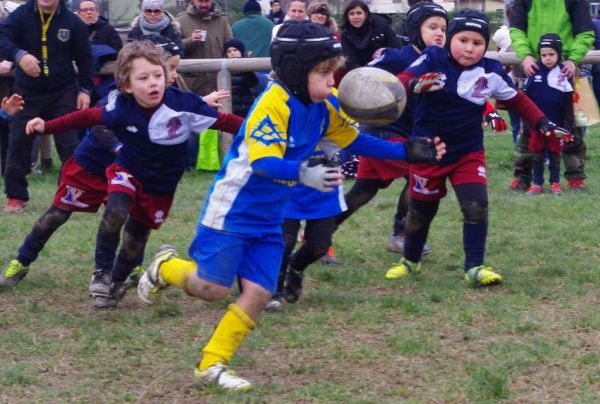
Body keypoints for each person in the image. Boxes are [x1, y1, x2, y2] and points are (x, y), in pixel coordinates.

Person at [135, 21, 445, 391]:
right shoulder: (272, 105)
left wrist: (407, 151)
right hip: (233, 210)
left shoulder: (324, 105)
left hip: (269, 216)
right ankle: (165, 267)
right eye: (325, 73)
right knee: (212, 289)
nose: (333, 82)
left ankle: (212, 364)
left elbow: (354, 141)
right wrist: (304, 172)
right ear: (298, 69)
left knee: (259, 293)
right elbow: (264, 163)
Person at [19, 41, 243, 309]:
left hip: (160, 184)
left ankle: (118, 281)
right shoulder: (120, 107)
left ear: (168, 76)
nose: (153, 83)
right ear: (127, 85)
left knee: (134, 241)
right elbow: (87, 117)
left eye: (158, 75)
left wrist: (265, 132)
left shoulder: (185, 105)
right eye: (144, 78)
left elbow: (229, 123)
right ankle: (101, 272)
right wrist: (47, 125)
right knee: (115, 211)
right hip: (127, 171)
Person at [385, 10, 572, 287]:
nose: (470, 48)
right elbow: (400, 80)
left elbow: (518, 101)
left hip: (467, 153)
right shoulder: (433, 57)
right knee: (420, 212)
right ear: (450, 38)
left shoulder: (492, 71)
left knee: (476, 206)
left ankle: (474, 266)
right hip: (429, 151)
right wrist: (414, 85)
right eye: (463, 40)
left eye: (477, 42)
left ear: (486, 46)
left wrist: (543, 122)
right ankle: (410, 261)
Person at [334, 2, 448, 256]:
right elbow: (362, 77)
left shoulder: (441, 60)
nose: (440, 33)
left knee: (362, 192)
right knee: (421, 173)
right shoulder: (397, 57)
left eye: (443, 28)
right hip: (382, 131)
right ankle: (401, 234)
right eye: (433, 27)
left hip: (407, 134)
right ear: (415, 30)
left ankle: (319, 231)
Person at [0, 0, 94, 213]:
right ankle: (15, 197)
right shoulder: (21, 15)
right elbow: (2, 38)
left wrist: (85, 90)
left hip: (62, 92)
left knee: (69, 144)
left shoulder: (72, 22)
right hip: (27, 93)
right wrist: (19, 55)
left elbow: (85, 57)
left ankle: (71, 194)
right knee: (18, 142)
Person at [509, 0, 595, 190]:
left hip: (567, 69)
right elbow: (516, 30)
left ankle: (575, 176)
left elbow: (585, 33)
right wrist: (526, 55)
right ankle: (522, 176)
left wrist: (573, 58)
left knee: (573, 126)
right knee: (528, 126)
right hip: (533, 67)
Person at [523, 34, 574, 196]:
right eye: (544, 55)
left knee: (554, 154)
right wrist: (527, 123)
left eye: (551, 54)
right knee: (537, 154)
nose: (547, 58)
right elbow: (525, 101)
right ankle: (537, 183)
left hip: (556, 125)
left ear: (558, 54)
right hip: (537, 124)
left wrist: (568, 127)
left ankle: (555, 182)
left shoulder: (564, 74)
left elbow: (568, 105)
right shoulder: (534, 71)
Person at [339, 0, 402, 71]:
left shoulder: (381, 25)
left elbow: (396, 48)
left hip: (386, 66)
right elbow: (351, 60)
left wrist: (384, 51)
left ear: (365, 14)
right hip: (362, 71)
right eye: (351, 14)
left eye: (359, 13)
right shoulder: (346, 35)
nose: (355, 17)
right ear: (347, 16)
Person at [223, 39, 258, 118]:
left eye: (235, 50)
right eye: (229, 51)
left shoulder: (246, 68)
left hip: (245, 109)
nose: (232, 53)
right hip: (230, 109)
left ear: (241, 52)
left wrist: (247, 68)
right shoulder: (225, 70)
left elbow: (252, 82)